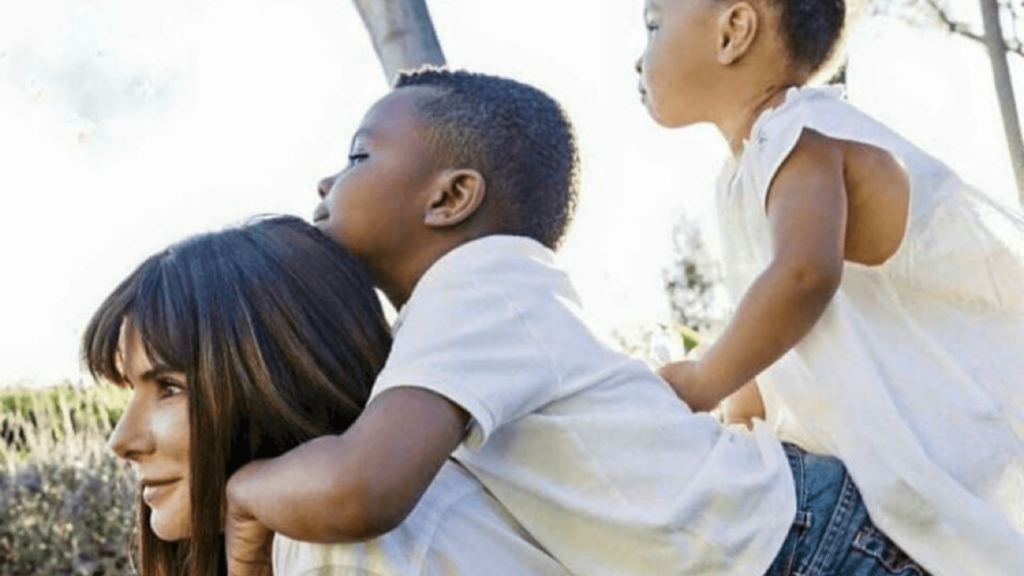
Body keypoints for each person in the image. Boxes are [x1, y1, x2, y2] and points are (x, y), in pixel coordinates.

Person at [225, 68, 927, 576]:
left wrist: (243, 492)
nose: (326, 183)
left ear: (451, 197)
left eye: (357, 156)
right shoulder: (469, 308)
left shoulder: (475, 288)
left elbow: (361, 489)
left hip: (802, 546)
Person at [636, 0, 1024, 574]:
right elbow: (769, 343)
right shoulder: (744, 174)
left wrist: (700, 379)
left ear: (733, 32)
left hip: (949, 443)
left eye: (652, 26)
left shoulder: (801, 134)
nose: (638, 58)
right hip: (900, 469)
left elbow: (803, 277)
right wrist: (740, 429)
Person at [81, 216, 571, 576]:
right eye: (130, 390)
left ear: (278, 383)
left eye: (168, 387)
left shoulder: (342, 555)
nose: (121, 440)